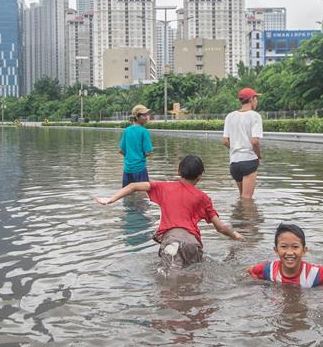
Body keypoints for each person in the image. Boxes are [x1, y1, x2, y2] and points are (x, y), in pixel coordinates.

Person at [95, 154, 244, 268]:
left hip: (171, 241)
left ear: (178, 172)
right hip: (193, 243)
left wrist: (110, 199)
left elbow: (133, 185)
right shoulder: (203, 197)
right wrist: (235, 235)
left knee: (169, 282)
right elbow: (220, 227)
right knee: (194, 276)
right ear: (200, 177)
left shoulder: (164, 187)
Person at [247, 223, 323, 287]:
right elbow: (248, 271)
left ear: (304, 250)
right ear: (276, 250)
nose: (289, 252)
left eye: (295, 247)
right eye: (284, 246)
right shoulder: (268, 269)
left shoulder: (315, 273)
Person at [222, 87, 263, 199]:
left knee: (242, 197)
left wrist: (235, 147)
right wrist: (259, 156)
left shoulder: (230, 116)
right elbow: (254, 141)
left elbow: (225, 141)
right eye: (256, 98)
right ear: (251, 99)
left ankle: (239, 216)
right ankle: (246, 216)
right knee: (247, 199)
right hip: (248, 160)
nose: (257, 101)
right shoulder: (255, 116)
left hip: (234, 163)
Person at [119, 104, 154, 187]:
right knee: (143, 195)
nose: (146, 117)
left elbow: (121, 150)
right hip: (140, 169)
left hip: (127, 169)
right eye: (143, 115)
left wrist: (130, 157)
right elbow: (148, 152)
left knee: (127, 194)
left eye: (147, 115)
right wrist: (138, 157)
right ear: (136, 117)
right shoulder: (144, 131)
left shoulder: (126, 130)